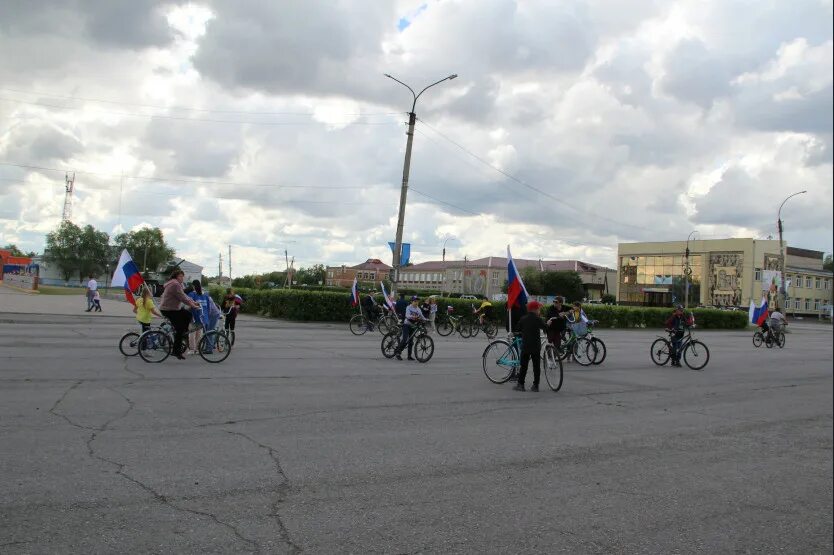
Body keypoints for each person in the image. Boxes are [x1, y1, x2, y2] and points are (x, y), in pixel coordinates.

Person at [159, 270, 201, 360]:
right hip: (168, 309)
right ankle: (175, 351)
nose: (182, 278)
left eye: (183, 276)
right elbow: (182, 298)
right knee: (180, 329)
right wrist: (193, 305)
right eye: (181, 276)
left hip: (173, 308)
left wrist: (194, 302)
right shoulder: (175, 284)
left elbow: (185, 296)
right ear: (176, 277)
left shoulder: (177, 284)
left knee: (188, 315)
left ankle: (183, 332)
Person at [513, 301, 547, 392]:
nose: (539, 310)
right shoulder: (538, 319)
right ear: (535, 309)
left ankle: (521, 384)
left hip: (526, 346)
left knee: (523, 365)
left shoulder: (523, 318)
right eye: (539, 308)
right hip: (536, 346)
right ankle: (535, 385)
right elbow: (545, 327)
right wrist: (549, 324)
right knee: (536, 366)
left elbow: (517, 329)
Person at [188, 280, 220, 354]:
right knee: (199, 333)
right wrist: (206, 317)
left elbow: (188, 305)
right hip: (203, 317)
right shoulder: (205, 295)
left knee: (192, 333)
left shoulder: (192, 294)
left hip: (195, 317)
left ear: (193, 286)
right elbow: (208, 308)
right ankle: (198, 349)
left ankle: (192, 349)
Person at [395, 296, 427, 361]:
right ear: (411, 302)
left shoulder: (418, 309)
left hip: (413, 326)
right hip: (406, 325)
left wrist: (426, 319)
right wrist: (413, 317)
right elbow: (407, 315)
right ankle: (398, 352)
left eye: (417, 301)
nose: (416, 302)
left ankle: (409, 356)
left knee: (411, 341)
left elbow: (422, 316)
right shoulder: (408, 307)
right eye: (415, 301)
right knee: (405, 339)